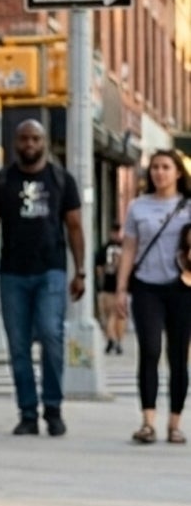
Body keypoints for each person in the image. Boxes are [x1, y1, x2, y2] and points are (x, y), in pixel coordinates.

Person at [0, 120, 85, 437]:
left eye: (35, 138)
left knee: (51, 335)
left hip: (51, 271)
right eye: (24, 139)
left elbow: (75, 226)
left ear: (45, 142)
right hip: (12, 273)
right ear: (15, 142)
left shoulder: (61, 180)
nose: (30, 144)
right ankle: (27, 413)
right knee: (18, 346)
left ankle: (53, 408)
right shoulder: (1, 181)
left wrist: (81, 271)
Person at [115, 151, 191, 445]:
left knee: (178, 355)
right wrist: (121, 288)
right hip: (146, 286)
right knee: (149, 350)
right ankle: (148, 422)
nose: (159, 172)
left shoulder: (188, 206)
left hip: (181, 288)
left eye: (166, 167)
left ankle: (175, 423)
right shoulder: (138, 206)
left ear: (178, 173)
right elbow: (129, 249)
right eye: (155, 167)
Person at [96, 223, 126, 355]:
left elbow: (99, 268)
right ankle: (115, 340)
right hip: (120, 287)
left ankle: (112, 339)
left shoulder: (104, 248)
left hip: (108, 286)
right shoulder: (123, 247)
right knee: (117, 316)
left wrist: (100, 282)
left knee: (109, 316)